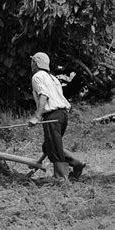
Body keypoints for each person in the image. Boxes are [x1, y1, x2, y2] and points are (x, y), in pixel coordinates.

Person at [28, 52, 86, 181]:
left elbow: (44, 95)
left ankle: (61, 178)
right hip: (63, 114)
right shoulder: (53, 78)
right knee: (48, 147)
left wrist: (37, 116)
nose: (31, 64)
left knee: (53, 147)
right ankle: (76, 163)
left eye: (32, 62)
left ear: (36, 63)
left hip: (53, 115)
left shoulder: (37, 76)